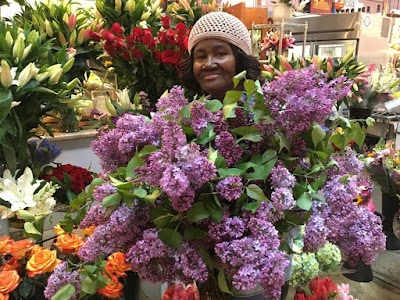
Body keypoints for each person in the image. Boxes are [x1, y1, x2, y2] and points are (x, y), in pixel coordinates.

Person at [178, 12, 263, 101]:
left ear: (240, 58)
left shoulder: (269, 109)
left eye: (220, 54)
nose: (208, 64)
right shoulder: (197, 112)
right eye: (201, 56)